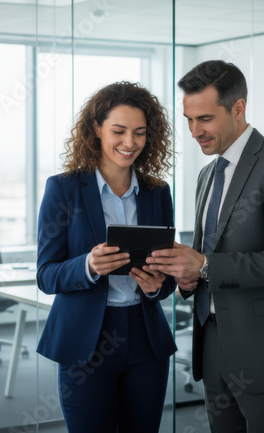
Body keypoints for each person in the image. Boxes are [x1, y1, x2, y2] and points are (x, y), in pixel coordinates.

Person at [147, 60, 264, 432]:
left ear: (238, 108)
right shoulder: (207, 175)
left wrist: (204, 267)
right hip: (213, 343)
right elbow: (205, 257)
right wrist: (186, 276)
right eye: (188, 119)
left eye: (205, 119)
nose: (195, 131)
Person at [36, 82, 177, 433]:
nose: (129, 143)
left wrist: (157, 285)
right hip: (86, 341)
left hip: (145, 339)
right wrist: (88, 266)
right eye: (119, 131)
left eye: (140, 133)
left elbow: (169, 274)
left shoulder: (157, 193)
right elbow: (46, 275)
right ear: (96, 129)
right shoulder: (63, 189)